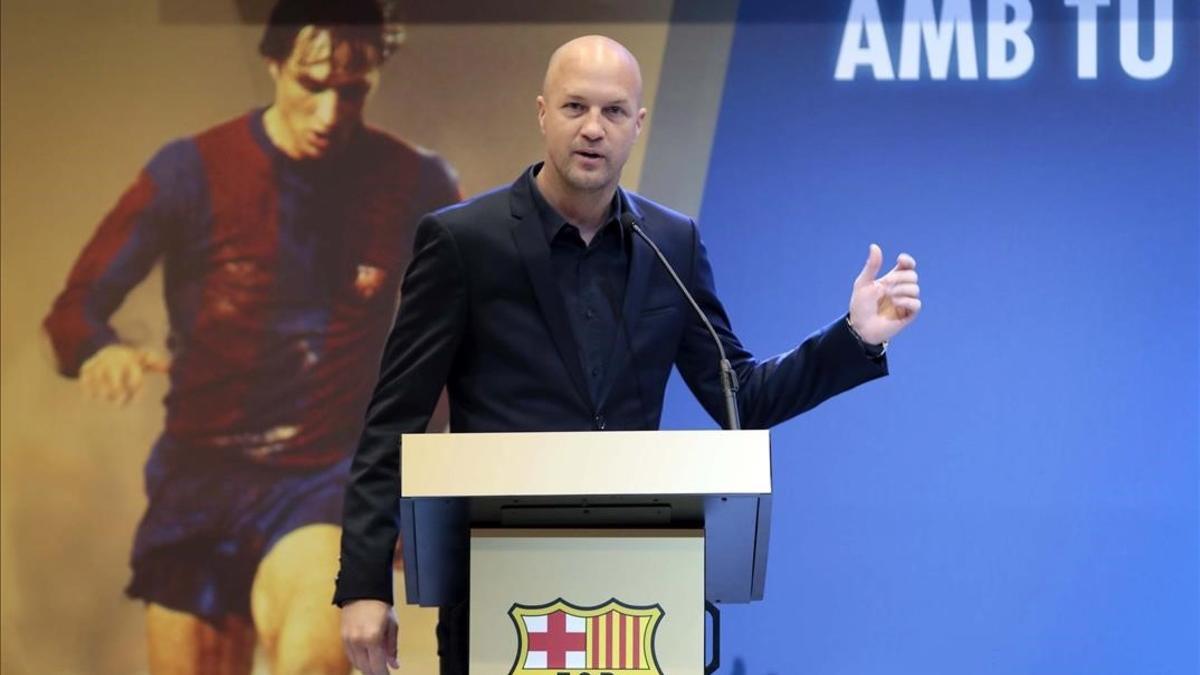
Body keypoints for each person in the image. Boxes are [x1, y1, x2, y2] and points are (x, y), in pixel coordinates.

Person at [335, 35, 922, 675]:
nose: (593, 129)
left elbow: (742, 398)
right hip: (495, 586)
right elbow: (393, 420)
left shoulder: (671, 241)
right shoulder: (461, 242)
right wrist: (364, 583)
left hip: (639, 591)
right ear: (541, 113)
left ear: (638, 124)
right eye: (574, 108)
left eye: (614, 112)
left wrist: (855, 336)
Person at [41, 1, 460, 673]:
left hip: (324, 480)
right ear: (274, 62)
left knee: (317, 660)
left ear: (377, 72)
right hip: (200, 480)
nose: (328, 113)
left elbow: (468, 336)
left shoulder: (416, 182)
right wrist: (100, 348)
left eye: (350, 91)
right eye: (310, 85)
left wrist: (423, 460)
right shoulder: (191, 171)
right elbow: (73, 310)